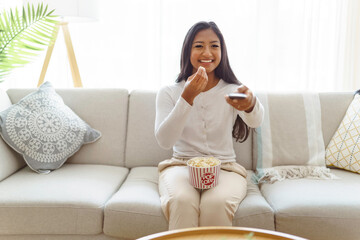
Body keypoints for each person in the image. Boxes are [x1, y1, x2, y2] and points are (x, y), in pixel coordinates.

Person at [155, 21, 264, 230]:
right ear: (188, 51)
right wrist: (187, 98)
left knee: (216, 203)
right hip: (181, 165)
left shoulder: (232, 89)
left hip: (225, 167)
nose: (207, 52)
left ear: (222, 51)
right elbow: (164, 140)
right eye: (198, 46)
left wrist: (250, 105)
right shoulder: (169, 92)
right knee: (182, 202)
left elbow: (256, 121)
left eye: (214, 45)